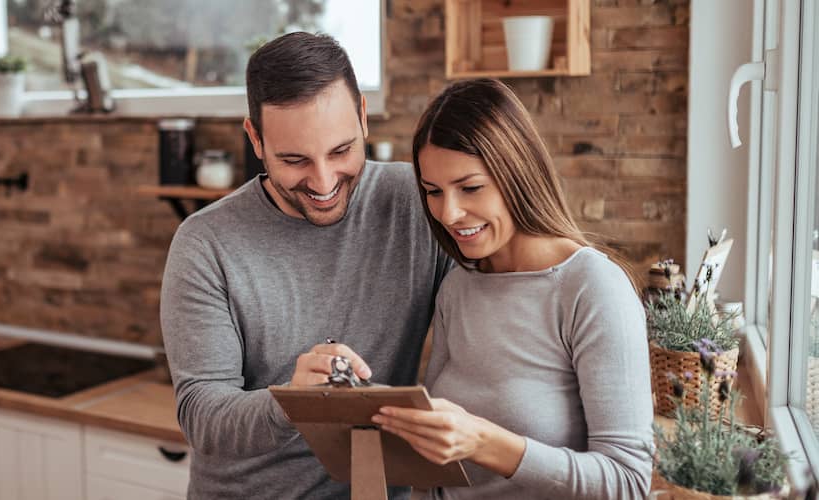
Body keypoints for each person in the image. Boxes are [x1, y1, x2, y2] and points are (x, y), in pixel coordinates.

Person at [160, 32, 454, 499]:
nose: (323, 181)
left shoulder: (418, 204)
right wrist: (294, 404)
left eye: (341, 151)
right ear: (255, 138)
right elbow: (203, 418)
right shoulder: (205, 243)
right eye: (294, 159)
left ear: (362, 116)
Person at [371, 78, 653, 499]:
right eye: (433, 192)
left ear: (516, 173)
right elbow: (434, 473)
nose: (449, 213)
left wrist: (488, 443)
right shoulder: (459, 286)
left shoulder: (591, 288)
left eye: (470, 188)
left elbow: (628, 483)